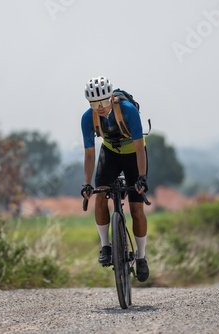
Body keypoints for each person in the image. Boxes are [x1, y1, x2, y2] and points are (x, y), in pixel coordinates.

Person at [80, 76, 149, 282]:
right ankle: (106, 246)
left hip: (133, 156)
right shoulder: (87, 118)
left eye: (103, 102)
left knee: (137, 209)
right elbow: (90, 154)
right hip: (109, 154)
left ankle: (141, 257)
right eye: (94, 103)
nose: (99, 108)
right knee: (100, 196)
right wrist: (87, 183)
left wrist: (142, 178)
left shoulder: (128, 110)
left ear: (111, 97)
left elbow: (139, 147)